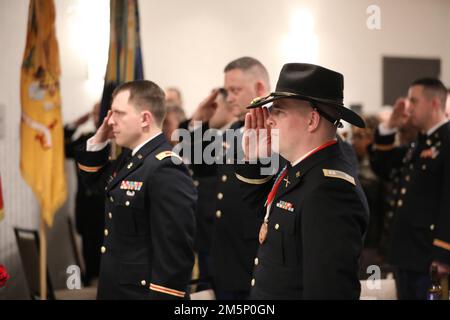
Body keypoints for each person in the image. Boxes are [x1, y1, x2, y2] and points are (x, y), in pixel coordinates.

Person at [235, 63, 369, 299]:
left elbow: (328, 292)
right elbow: (261, 227)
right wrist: (255, 160)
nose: (269, 121)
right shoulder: (300, 169)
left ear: (312, 120)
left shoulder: (331, 190)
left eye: (279, 111)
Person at [75, 80, 197, 299]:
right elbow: (92, 183)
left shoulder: (165, 168)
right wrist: (99, 140)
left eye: (119, 114)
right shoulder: (130, 159)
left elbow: (174, 258)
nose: (110, 121)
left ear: (145, 119)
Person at [187, 57, 271, 299]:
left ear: (259, 89)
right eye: (227, 91)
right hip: (224, 251)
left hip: (253, 254)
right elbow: (202, 168)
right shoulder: (235, 129)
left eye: (235, 90)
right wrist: (198, 123)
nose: (230, 97)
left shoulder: (275, 129)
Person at [369, 78, 450, 299]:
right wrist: (388, 127)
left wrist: (444, 253)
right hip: (406, 252)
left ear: (434, 103)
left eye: (414, 101)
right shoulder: (420, 142)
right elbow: (384, 168)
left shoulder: (446, 140)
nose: (408, 107)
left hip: (429, 254)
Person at [64, 102, 104, 285]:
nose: (97, 118)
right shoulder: (86, 139)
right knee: (90, 260)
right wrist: (74, 125)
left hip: (109, 210)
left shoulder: (119, 142)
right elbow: (61, 147)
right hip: (88, 211)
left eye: (100, 113)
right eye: (94, 114)